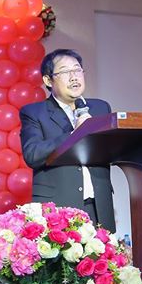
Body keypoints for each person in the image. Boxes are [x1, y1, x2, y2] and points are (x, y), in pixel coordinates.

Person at [19, 49, 115, 229]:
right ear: (48, 80)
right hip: (58, 207)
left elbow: (111, 149)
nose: (74, 77)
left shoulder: (101, 108)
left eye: (77, 70)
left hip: (99, 206)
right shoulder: (34, 112)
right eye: (65, 72)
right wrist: (74, 135)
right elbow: (32, 154)